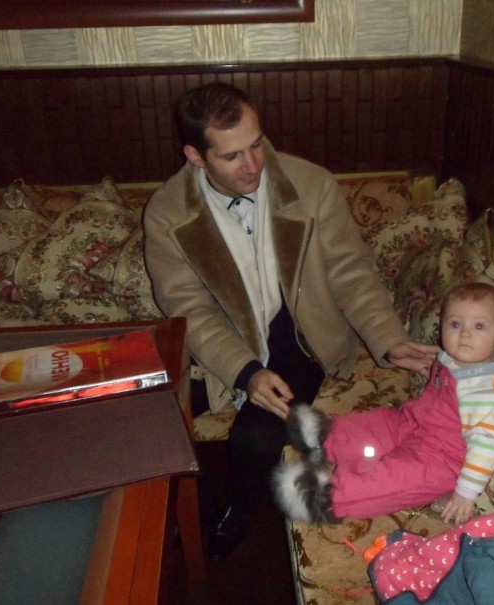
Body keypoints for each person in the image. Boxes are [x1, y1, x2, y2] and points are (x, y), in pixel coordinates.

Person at [142, 82, 436, 560]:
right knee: (148, 418)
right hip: (224, 344)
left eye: (256, 144)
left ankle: (236, 510)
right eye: (232, 156)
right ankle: (169, 522)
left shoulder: (311, 185)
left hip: (299, 340)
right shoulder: (166, 212)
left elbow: (350, 272)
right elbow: (186, 307)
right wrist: (244, 371)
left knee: (256, 436)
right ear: (195, 156)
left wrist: (388, 338)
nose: (253, 165)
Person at [273, 281, 494, 526]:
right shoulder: (454, 357)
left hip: (441, 459)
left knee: (393, 476)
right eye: (455, 324)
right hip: (412, 422)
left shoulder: (492, 394)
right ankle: (323, 436)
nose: (465, 334)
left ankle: (325, 497)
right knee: (376, 425)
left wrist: (466, 493)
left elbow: (486, 447)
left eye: (479, 326)